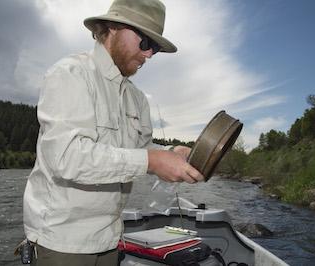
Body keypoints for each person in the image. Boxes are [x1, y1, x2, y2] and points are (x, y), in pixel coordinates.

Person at [23, 0, 204, 265]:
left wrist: (171, 153)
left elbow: (142, 148)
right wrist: (154, 161)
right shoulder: (71, 74)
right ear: (114, 27)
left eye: (155, 48)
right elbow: (68, 157)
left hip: (110, 241)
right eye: (145, 43)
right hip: (61, 244)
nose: (150, 55)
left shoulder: (137, 99)